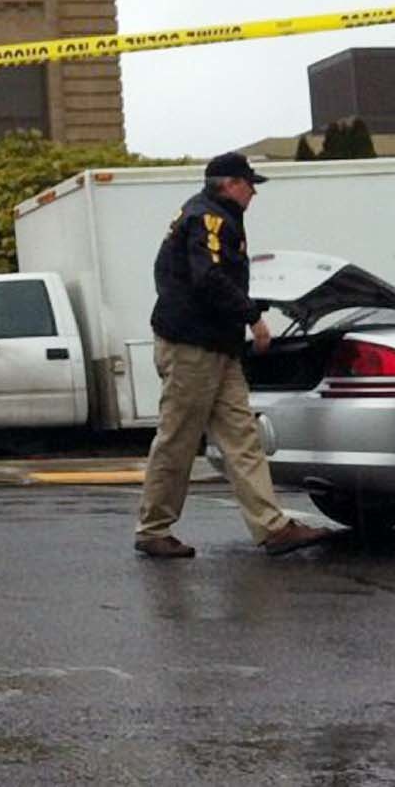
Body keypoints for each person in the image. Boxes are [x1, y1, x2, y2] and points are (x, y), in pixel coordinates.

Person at [135, 152, 331, 559]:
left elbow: (178, 277)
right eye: (249, 183)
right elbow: (208, 278)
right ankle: (153, 529)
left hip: (215, 346)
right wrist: (253, 317)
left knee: (243, 437)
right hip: (194, 348)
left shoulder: (204, 215)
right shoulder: (209, 219)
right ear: (229, 184)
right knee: (178, 438)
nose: (254, 191)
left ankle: (273, 527)